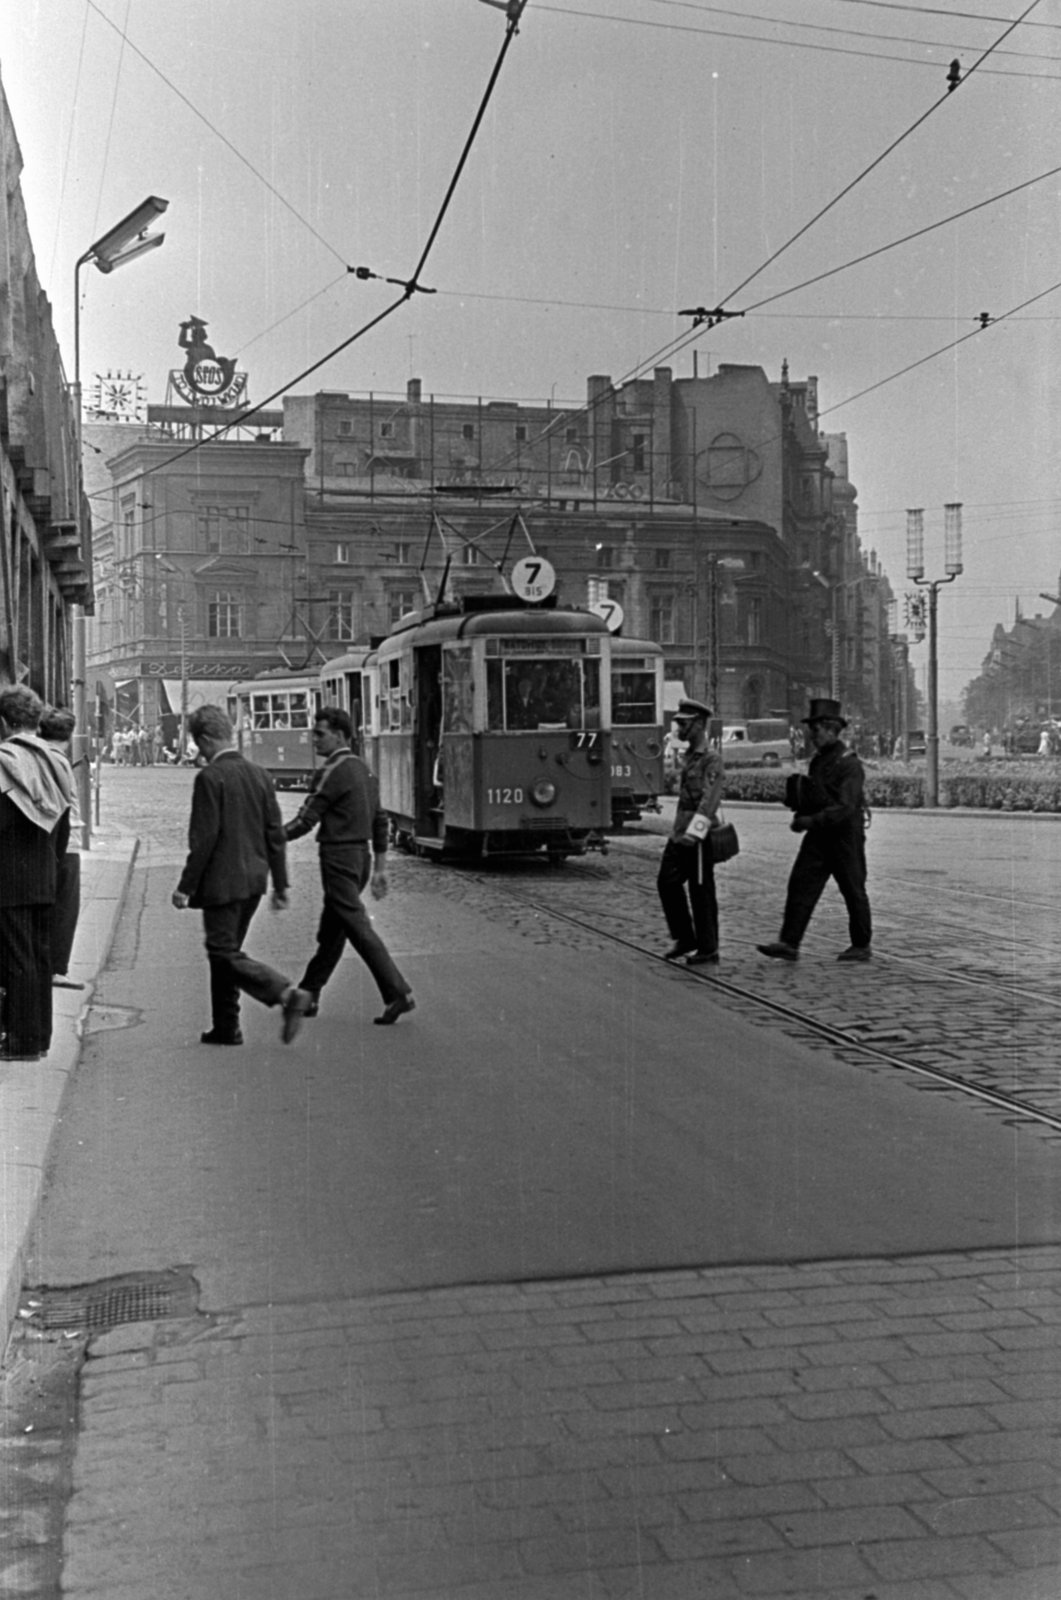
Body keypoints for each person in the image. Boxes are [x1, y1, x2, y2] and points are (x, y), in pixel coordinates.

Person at [172, 704, 310, 1046]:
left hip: (222, 882)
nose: (200, 753)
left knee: (223, 953)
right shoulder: (260, 774)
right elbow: (274, 833)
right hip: (253, 882)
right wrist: (279, 883)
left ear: (205, 740)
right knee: (228, 952)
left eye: (198, 745)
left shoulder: (210, 778)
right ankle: (226, 1027)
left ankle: (285, 993)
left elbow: (204, 839)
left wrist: (185, 887)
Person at [284, 705, 414, 1025]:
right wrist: (381, 869)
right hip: (362, 860)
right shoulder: (364, 771)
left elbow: (305, 821)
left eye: (319, 734)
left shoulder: (331, 770)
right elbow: (380, 821)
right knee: (333, 930)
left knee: (356, 927)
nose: (313, 739)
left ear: (339, 735)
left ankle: (398, 993)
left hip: (338, 859)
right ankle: (308, 994)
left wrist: (268, 837)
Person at [757, 697, 872, 964]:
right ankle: (789, 943)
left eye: (816, 731)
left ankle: (862, 944)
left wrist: (810, 821)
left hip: (845, 837)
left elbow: (844, 808)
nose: (812, 736)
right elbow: (818, 796)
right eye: (811, 731)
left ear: (832, 729)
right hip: (820, 836)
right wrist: (800, 808)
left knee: (853, 889)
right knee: (800, 884)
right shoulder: (818, 761)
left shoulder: (849, 764)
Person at [0, 686, 73, 1061]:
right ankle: (40, 1038)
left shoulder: (7, 761)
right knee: (39, 959)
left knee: (17, 960)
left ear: (5, 721)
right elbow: (64, 826)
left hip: (10, 879)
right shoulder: (53, 760)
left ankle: (21, 1042)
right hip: (45, 874)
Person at [657, 698, 724, 967]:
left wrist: (694, 835)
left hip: (697, 837)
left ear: (698, 724)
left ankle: (708, 949)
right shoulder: (689, 757)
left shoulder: (711, 759)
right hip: (679, 833)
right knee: (667, 882)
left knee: (701, 891)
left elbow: (710, 801)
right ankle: (686, 937)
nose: (679, 728)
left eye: (684, 724)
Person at [38, 707, 84, 991]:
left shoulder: (41, 756)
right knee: (66, 906)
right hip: (68, 843)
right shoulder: (59, 761)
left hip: (49, 842)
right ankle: (57, 968)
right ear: (69, 736)